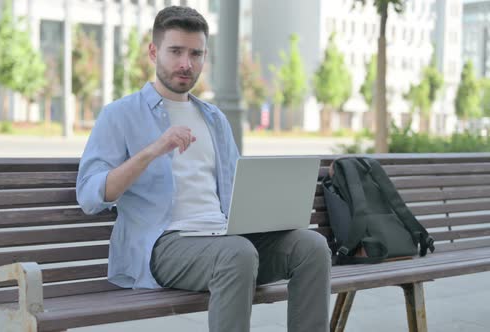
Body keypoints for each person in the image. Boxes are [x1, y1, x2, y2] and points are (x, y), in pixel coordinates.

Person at [76, 6, 331, 332]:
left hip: (224, 237)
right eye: (176, 51)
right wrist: (153, 150)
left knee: (311, 247)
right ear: (154, 52)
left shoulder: (214, 119)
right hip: (165, 245)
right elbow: (89, 196)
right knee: (236, 254)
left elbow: (239, 188)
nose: (186, 63)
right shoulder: (120, 115)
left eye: (196, 54)